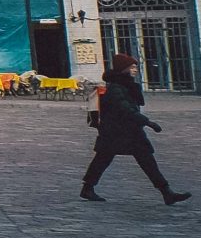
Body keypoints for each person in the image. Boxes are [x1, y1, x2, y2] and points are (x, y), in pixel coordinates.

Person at [82, 53, 191, 205]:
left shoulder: (125, 85)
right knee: (103, 159)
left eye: (136, 67)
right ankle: (87, 188)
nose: (135, 70)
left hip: (126, 131)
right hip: (118, 131)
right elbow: (125, 109)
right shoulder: (116, 88)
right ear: (123, 69)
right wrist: (148, 122)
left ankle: (166, 192)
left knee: (145, 160)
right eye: (132, 67)